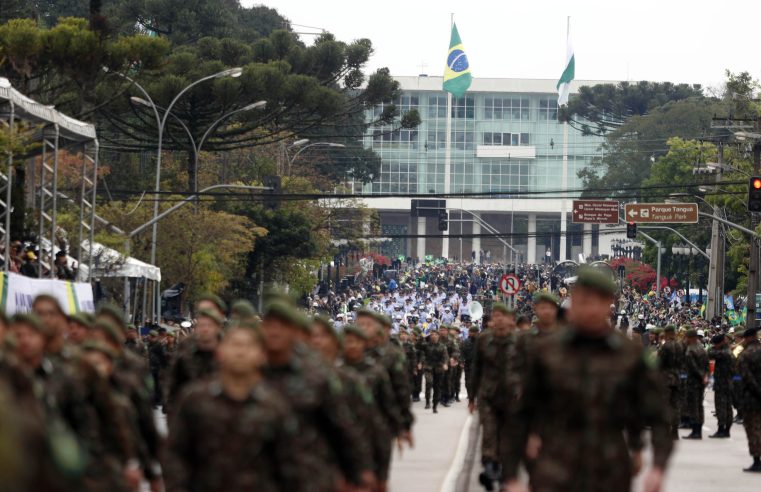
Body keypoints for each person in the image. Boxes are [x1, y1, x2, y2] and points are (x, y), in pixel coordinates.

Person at [501, 267, 673, 492]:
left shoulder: (627, 354)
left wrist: (656, 466)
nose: (590, 308)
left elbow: (657, 413)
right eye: (583, 300)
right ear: (573, 302)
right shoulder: (547, 351)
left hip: (610, 470)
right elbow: (520, 412)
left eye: (597, 301)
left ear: (608, 304)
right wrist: (512, 476)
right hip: (554, 468)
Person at [164, 324, 299, 491]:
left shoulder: (275, 405)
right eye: (235, 344)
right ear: (220, 352)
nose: (240, 352)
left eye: (248, 346)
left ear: (262, 355)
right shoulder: (195, 400)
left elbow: (290, 464)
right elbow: (175, 454)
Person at [261, 300, 373, 491]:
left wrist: (355, 471)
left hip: (312, 474)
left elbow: (345, 429)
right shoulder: (255, 374)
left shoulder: (321, 380)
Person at [469, 303, 518, 491]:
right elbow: (477, 369)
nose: (498, 319)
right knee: (489, 432)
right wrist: (472, 397)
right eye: (495, 316)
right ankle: (490, 467)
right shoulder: (484, 340)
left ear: (510, 319)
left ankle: (505, 472)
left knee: (506, 435)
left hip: (512, 397)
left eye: (502, 316)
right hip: (488, 396)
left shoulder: (519, 341)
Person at [165, 309, 224, 415]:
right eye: (202, 325)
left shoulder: (227, 353)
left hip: (220, 414)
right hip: (191, 413)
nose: (205, 329)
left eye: (209, 325)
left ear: (217, 328)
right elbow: (174, 385)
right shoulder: (186, 354)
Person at [737, 327, 761, 473]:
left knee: (753, 428)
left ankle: (757, 461)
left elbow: (746, 377)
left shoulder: (746, 355)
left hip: (752, 397)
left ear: (749, 338)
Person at [656, 325, 684, 439]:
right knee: (676, 405)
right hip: (677, 378)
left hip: (666, 378)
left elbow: (660, 363)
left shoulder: (665, 346)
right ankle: (675, 431)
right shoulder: (680, 345)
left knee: (666, 405)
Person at [682, 329, 709, 439]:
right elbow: (707, 364)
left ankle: (695, 431)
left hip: (693, 381)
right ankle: (698, 429)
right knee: (699, 405)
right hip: (701, 381)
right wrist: (705, 376)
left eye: (686, 338)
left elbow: (693, 368)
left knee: (693, 406)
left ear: (691, 338)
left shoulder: (690, 351)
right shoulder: (701, 348)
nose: (685, 340)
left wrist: (701, 376)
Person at [707, 333, 734, 438]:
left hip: (722, 384)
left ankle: (721, 430)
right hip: (728, 384)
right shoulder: (727, 350)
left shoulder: (724, 352)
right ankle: (726, 430)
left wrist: (714, 347)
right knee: (728, 407)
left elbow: (710, 353)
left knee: (721, 407)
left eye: (716, 344)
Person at [420, 329, 448, 412]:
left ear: (438, 336)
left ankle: (435, 405)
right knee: (429, 383)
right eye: (432, 335)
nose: (434, 336)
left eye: (435, 335)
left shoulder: (442, 346)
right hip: (428, 367)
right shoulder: (426, 345)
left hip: (438, 369)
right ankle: (427, 402)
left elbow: (445, 356)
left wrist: (445, 364)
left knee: (437, 387)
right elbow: (421, 352)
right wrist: (421, 362)